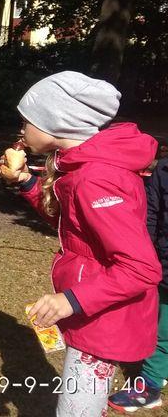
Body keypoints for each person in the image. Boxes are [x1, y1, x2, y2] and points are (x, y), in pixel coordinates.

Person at [0, 71, 161, 416]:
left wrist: (70, 300)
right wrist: (26, 181)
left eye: (27, 121)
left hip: (103, 316)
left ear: (57, 122)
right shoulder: (81, 168)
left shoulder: (95, 179)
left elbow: (141, 268)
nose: (22, 130)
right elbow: (75, 226)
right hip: (93, 307)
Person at [107, 152, 168, 412]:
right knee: (161, 329)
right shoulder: (163, 170)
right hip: (165, 267)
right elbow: (151, 217)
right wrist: (146, 258)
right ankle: (151, 384)